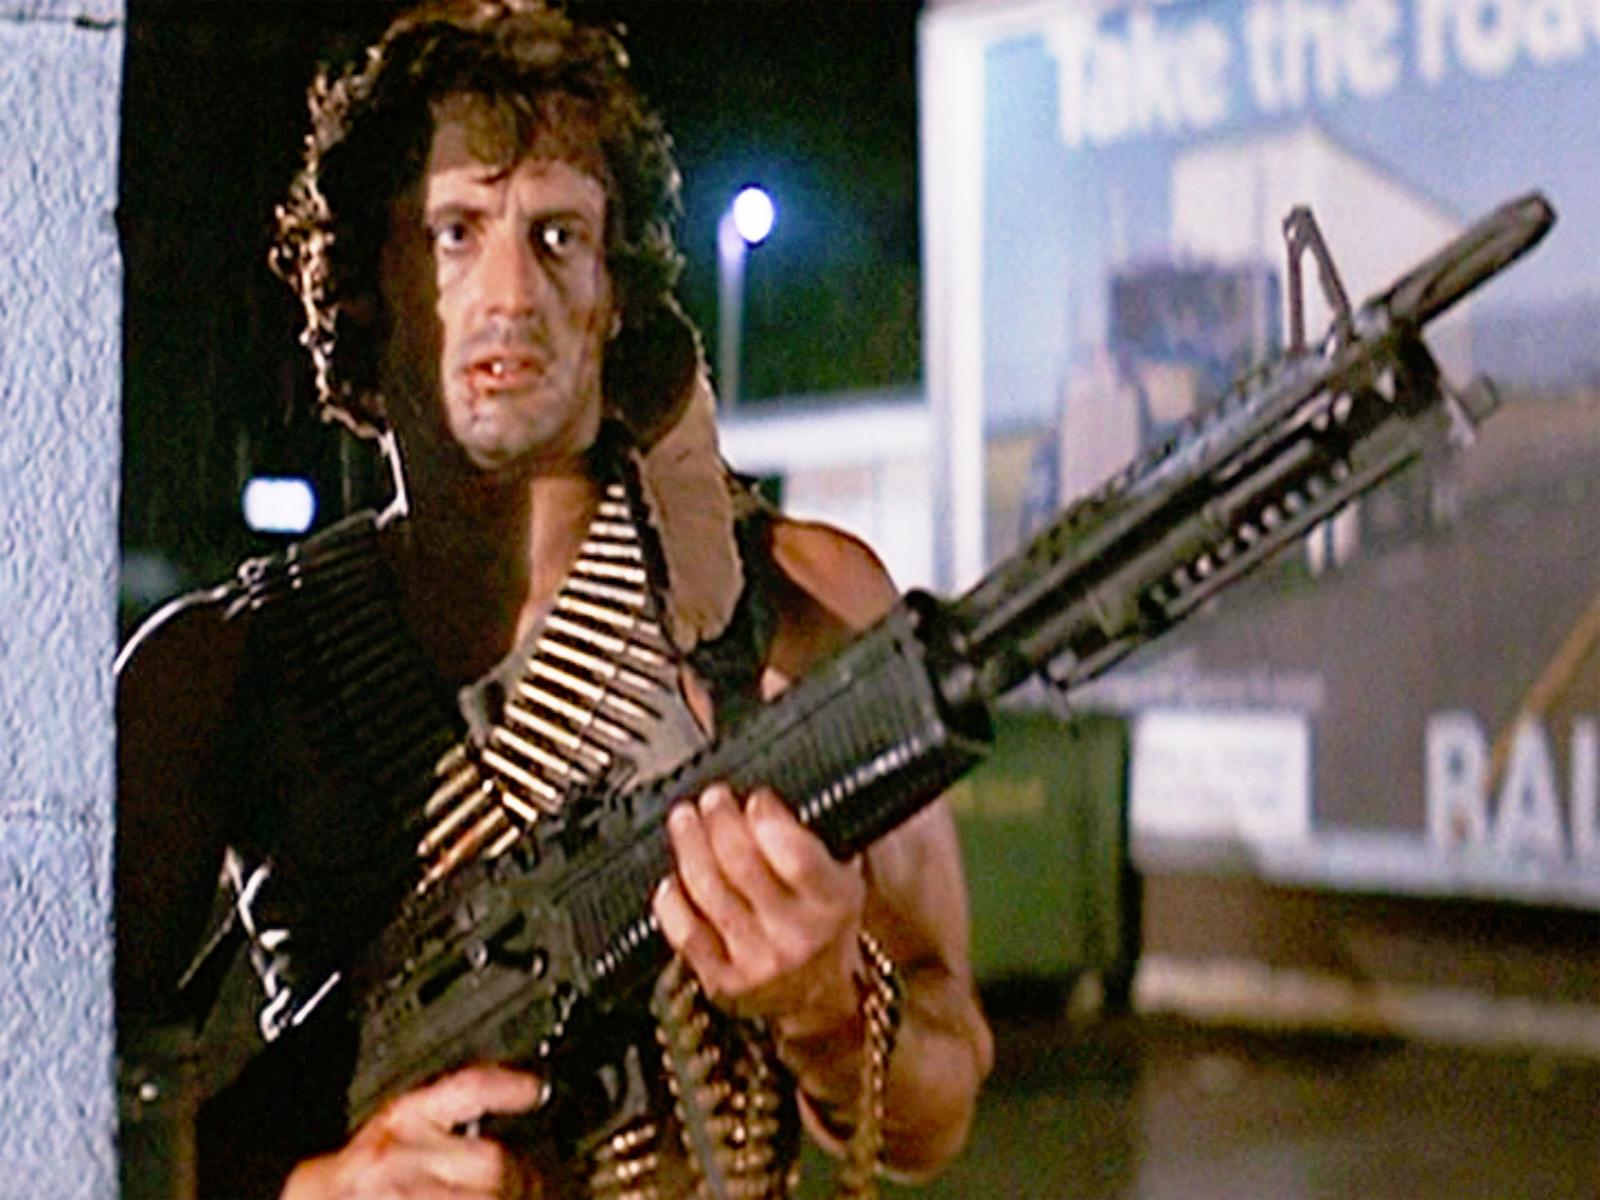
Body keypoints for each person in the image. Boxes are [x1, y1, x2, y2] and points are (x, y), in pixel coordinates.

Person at [116, 2, 992, 1196]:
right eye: (454, 232)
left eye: (559, 235)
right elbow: (57, 1111)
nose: (511, 293)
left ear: (615, 292)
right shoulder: (215, 673)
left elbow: (935, 1109)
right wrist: (309, 1188)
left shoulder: (791, 605)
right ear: (365, 280)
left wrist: (830, 1009)